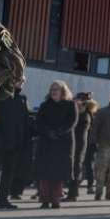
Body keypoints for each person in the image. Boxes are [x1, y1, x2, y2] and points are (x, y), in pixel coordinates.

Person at [0, 80, 30, 209]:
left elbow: (25, 121)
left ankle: (3, 199)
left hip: (14, 142)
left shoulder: (22, 99)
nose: (22, 82)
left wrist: (23, 139)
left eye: (23, 80)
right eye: (19, 79)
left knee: (8, 172)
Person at [35, 81, 77, 209]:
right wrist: (48, 132)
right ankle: (44, 200)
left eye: (56, 89)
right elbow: (39, 122)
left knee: (58, 173)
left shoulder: (70, 105)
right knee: (45, 172)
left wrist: (60, 132)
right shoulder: (44, 105)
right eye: (52, 89)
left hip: (63, 143)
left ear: (63, 91)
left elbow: (72, 121)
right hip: (47, 143)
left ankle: (55, 199)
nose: (53, 91)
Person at [65, 92, 96, 201]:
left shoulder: (86, 114)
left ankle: (72, 193)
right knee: (75, 166)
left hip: (80, 143)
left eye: (78, 100)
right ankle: (73, 192)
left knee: (76, 166)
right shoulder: (83, 113)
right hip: (78, 142)